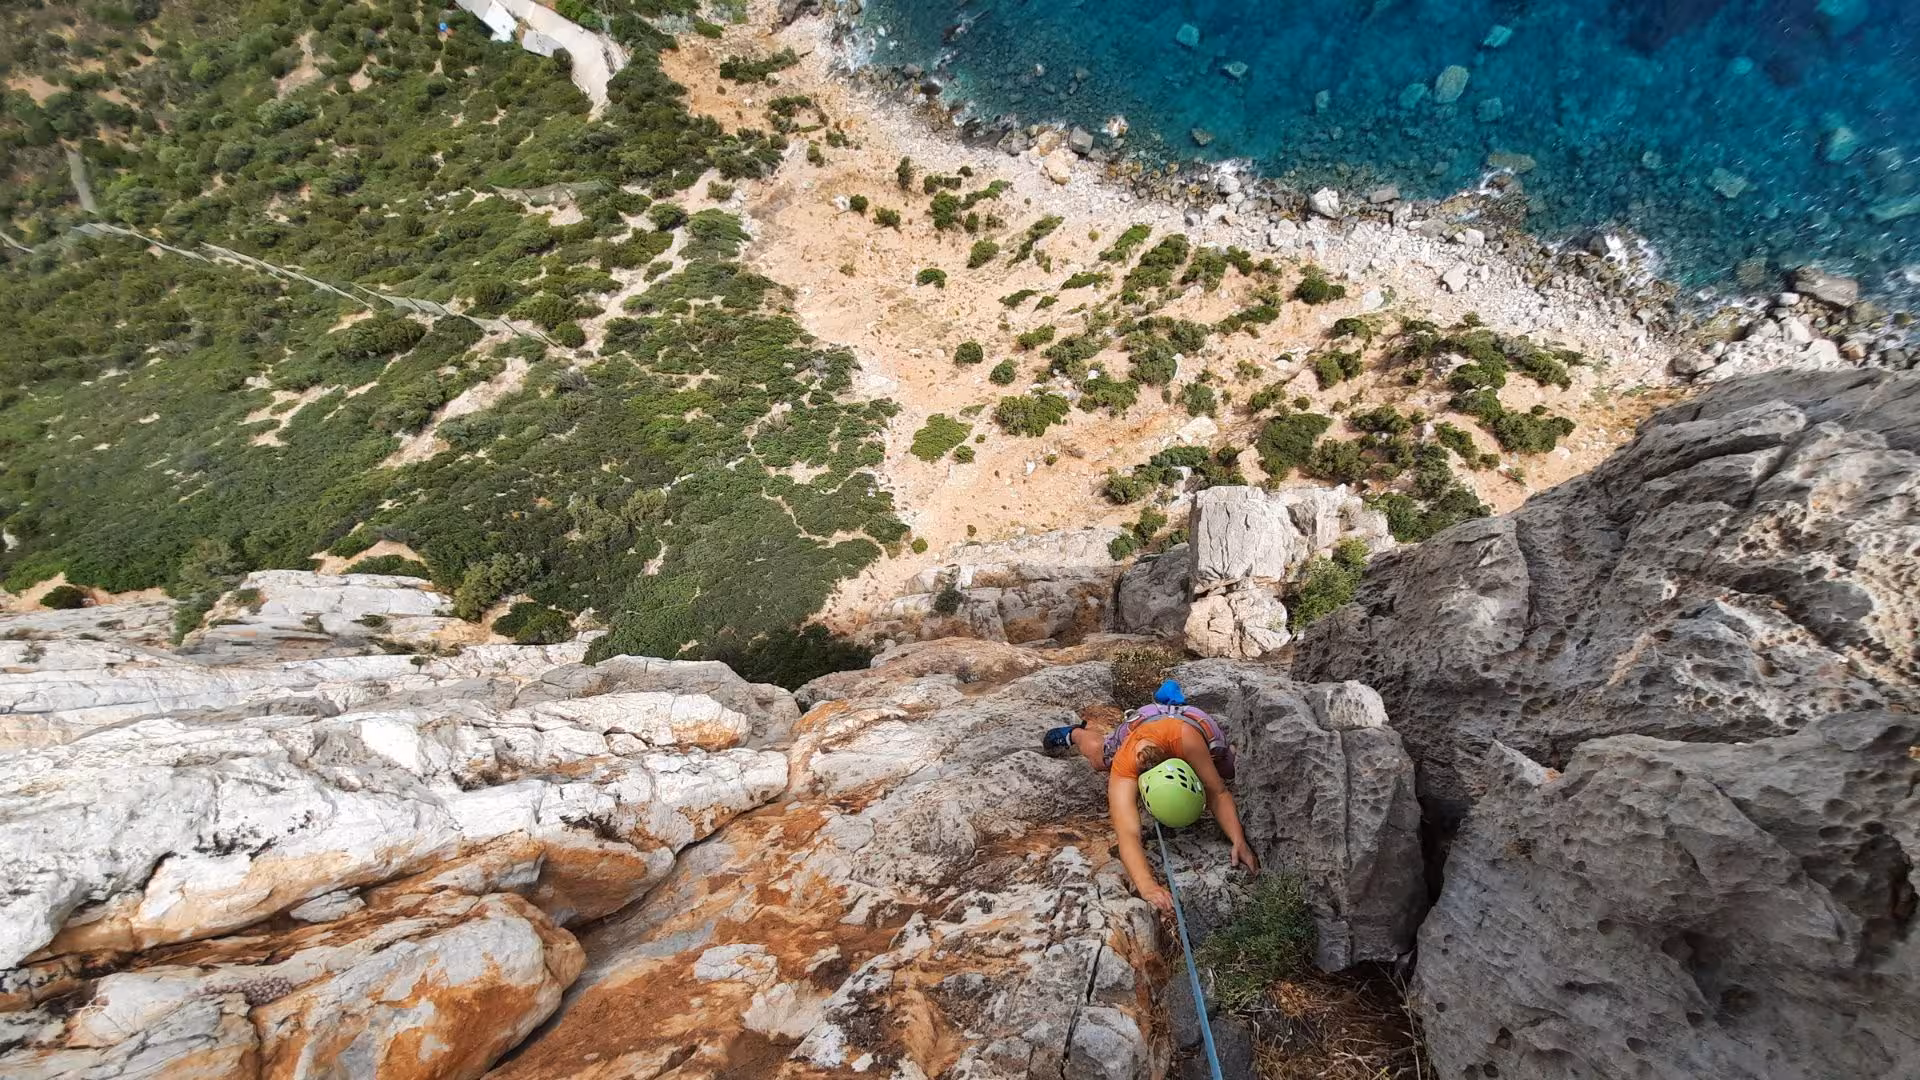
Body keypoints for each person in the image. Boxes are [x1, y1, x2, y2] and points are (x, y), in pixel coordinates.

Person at [1043, 679, 1259, 913]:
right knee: (1099, 759)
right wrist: (1147, 886)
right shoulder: (1124, 767)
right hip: (1140, 725)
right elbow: (1127, 834)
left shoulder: (1186, 741)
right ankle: (1075, 733)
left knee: (1229, 769)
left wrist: (1239, 840)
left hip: (1190, 723)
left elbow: (1217, 792)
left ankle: (1171, 697)